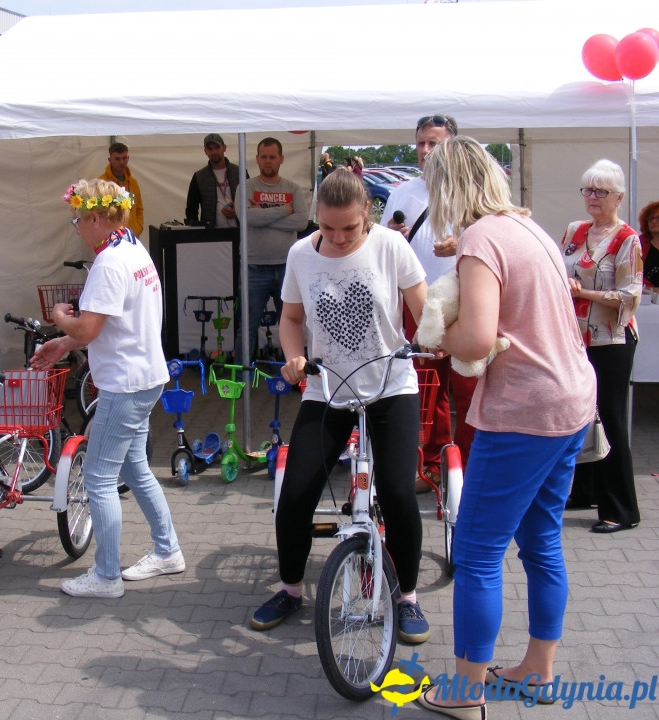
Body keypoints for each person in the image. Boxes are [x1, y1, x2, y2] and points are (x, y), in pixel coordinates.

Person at [415, 137, 596, 719]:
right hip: (570, 400)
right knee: (542, 541)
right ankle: (538, 671)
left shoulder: (481, 238)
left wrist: (437, 336)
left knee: (475, 552)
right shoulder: (526, 226)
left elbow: (474, 338)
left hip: (524, 412)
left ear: (449, 189)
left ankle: (466, 693)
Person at [250, 170, 431, 644]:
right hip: (327, 387)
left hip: (391, 385)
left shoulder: (391, 247)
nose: (337, 238)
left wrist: (442, 340)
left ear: (366, 214)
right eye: (327, 228)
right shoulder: (300, 255)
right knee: (294, 496)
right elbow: (292, 318)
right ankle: (291, 589)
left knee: (396, 492)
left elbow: (426, 311)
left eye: (348, 229)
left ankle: (407, 596)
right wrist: (293, 355)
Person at [31, 178, 183, 598]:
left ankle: (106, 576)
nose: (76, 226)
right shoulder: (132, 248)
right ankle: (167, 550)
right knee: (135, 468)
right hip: (144, 376)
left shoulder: (108, 264)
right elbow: (112, 324)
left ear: (97, 218)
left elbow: (89, 326)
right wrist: (63, 343)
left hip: (124, 384)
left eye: (78, 219)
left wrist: (61, 319)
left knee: (98, 477)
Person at [381, 114, 477, 490]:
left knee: (468, 387)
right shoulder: (402, 192)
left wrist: (463, 242)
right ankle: (434, 463)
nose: (425, 150)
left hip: (468, 299)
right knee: (428, 388)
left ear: (451, 144)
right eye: (420, 143)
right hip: (419, 303)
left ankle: (468, 468)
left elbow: (493, 234)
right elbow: (383, 243)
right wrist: (391, 235)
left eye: (433, 143)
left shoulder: (471, 188)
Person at [559, 159, 642, 533]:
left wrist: (583, 291)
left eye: (601, 191)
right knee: (580, 414)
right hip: (577, 337)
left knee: (609, 417)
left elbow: (629, 297)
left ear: (618, 197)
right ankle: (585, 489)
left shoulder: (627, 240)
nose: (592, 197)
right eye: (588, 189)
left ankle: (620, 509)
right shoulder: (576, 231)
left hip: (612, 338)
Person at [234, 137, 309, 363]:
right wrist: (284, 210)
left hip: (287, 268)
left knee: (293, 323)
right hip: (252, 268)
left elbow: (301, 222)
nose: (268, 162)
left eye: (272, 157)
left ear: (281, 159)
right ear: (257, 159)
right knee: (246, 326)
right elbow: (246, 217)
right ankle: (241, 378)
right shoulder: (246, 187)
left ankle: (298, 372)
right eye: (264, 157)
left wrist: (263, 217)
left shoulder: (293, 188)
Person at [184, 133, 245, 228]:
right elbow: (191, 210)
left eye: (217, 147)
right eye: (210, 149)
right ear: (205, 151)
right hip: (212, 234)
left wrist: (238, 213)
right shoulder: (199, 177)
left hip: (239, 232)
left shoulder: (240, 172)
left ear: (224, 148)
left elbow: (250, 203)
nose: (214, 152)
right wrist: (196, 232)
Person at [100, 142, 144, 239]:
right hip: (111, 237)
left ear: (128, 158)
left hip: (132, 234)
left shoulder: (133, 182)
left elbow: (139, 208)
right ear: (110, 160)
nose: (121, 162)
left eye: (124, 158)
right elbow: (99, 212)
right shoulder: (102, 183)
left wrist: (138, 228)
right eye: (117, 159)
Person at [638, 199, 659, 288]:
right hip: (646, 296)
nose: (654, 221)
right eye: (650, 219)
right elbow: (632, 273)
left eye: (658, 218)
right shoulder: (639, 243)